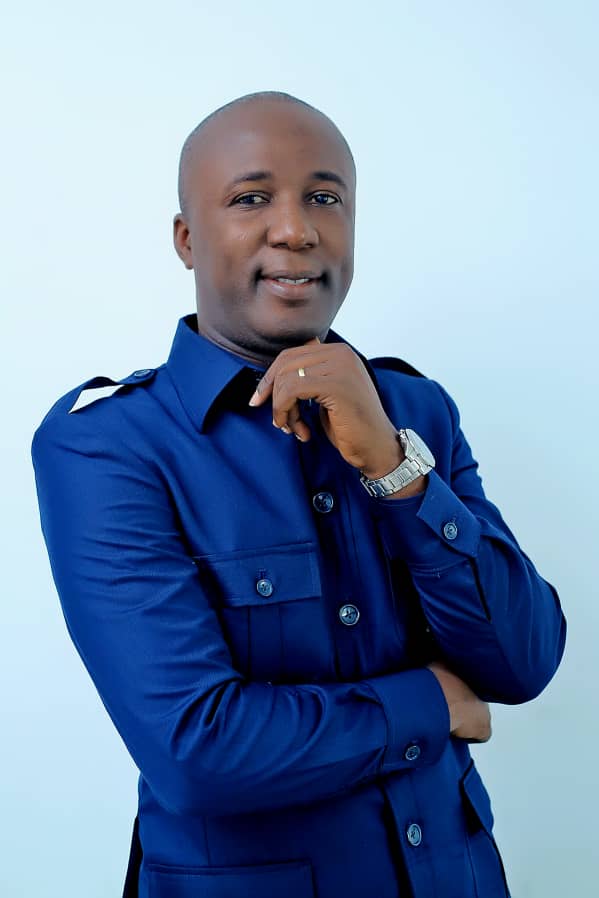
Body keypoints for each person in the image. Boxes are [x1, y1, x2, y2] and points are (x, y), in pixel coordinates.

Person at [31, 91, 566, 898]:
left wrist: (392, 465)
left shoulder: (414, 411)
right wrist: (428, 702)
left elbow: (523, 660)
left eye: (324, 198)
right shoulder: (109, 445)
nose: (296, 229)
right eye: (251, 199)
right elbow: (197, 752)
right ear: (186, 239)